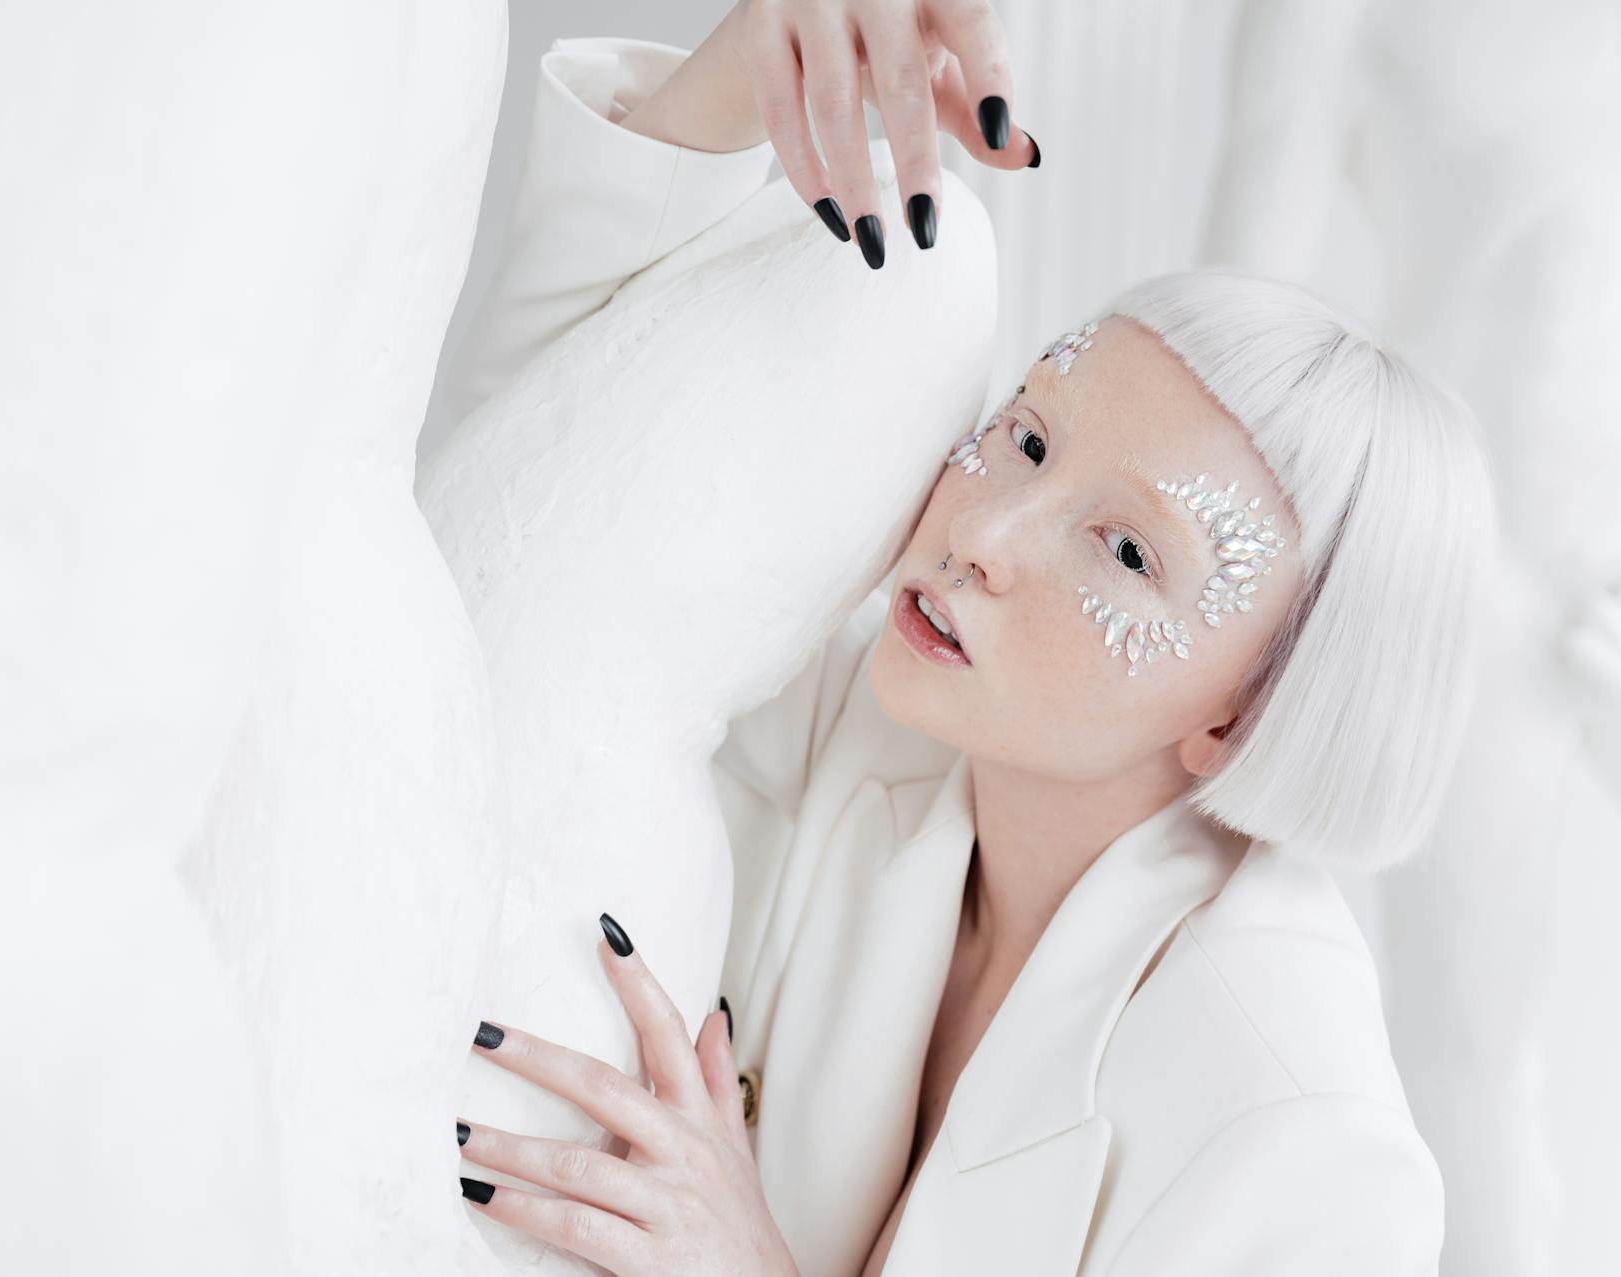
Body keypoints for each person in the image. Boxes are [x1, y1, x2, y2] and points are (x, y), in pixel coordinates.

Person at [443, 2, 1494, 1274]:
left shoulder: (1302, 1138)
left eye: (1124, 551)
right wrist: (719, 102)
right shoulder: (869, 729)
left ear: (1242, 713)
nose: (985, 526)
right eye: (1031, 438)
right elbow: (533, 520)